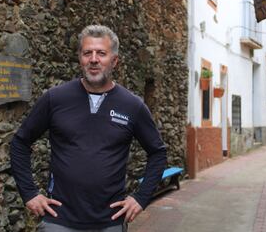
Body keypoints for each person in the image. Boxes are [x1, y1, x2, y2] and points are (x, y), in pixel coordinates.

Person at [10, 25, 167, 232]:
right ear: (80, 58)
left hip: (109, 222)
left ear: (114, 61)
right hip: (58, 220)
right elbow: (20, 143)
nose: (94, 59)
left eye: (101, 53)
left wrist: (141, 197)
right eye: (87, 53)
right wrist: (30, 193)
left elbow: (158, 153)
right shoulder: (55, 99)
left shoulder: (132, 106)